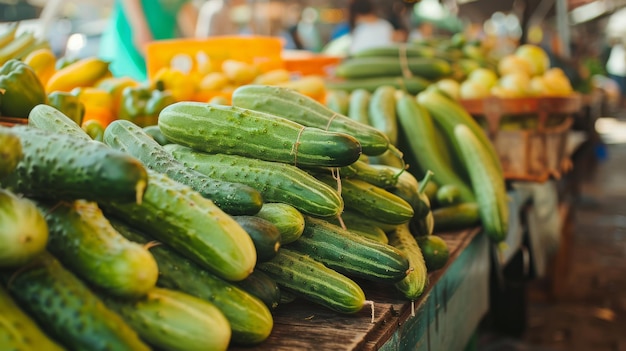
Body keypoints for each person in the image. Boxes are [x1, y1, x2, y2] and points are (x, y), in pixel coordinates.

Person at [99, 0, 198, 81]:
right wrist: (140, 28)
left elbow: (184, 9)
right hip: (133, 33)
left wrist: (199, 45)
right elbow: (141, 40)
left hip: (161, 39)